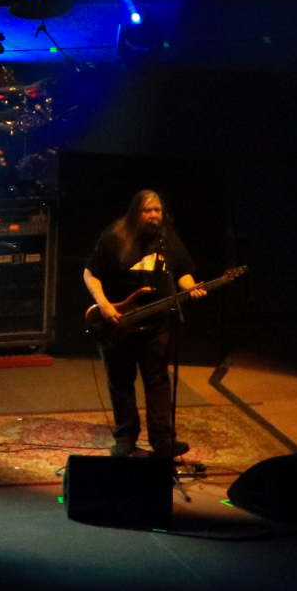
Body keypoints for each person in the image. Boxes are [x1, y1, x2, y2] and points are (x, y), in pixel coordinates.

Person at [82, 189, 207, 459]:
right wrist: (104, 305)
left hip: (156, 325)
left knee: (158, 380)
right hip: (120, 322)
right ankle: (126, 438)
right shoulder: (116, 238)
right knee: (121, 381)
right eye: (147, 210)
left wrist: (191, 288)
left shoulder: (167, 239)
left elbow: (183, 271)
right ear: (135, 214)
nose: (153, 215)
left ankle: (163, 439)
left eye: (157, 210)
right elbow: (90, 273)